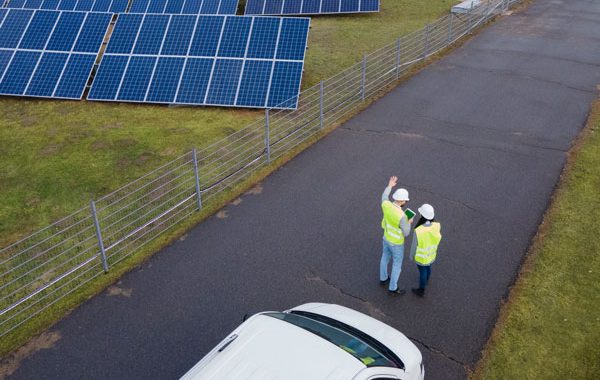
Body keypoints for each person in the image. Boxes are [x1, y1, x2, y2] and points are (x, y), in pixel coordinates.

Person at [380, 176, 413, 295]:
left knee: (384, 257)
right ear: (402, 201)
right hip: (397, 244)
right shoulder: (402, 216)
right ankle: (392, 288)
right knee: (396, 265)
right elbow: (406, 233)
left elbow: (384, 196)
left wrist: (390, 185)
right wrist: (409, 223)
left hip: (386, 237)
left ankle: (383, 278)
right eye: (405, 201)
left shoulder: (386, 205)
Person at [410, 204, 442, 297]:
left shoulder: (419, 230)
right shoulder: (437, 226)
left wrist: (411, 256)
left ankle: (421, 289)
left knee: (422, 271)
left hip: (421, 257)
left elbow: (414, 246)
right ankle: (427, 279)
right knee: (428, 267)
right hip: (431, 254)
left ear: (422, 216)